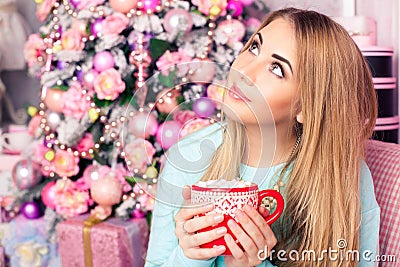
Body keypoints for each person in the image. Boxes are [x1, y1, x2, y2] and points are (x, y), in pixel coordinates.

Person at [145, 7, 380, 267]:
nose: (245, 71)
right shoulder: (188, 155)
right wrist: (190, 256)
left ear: (306, 108)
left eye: (277, 69)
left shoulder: (345, 176)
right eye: (254, 47)